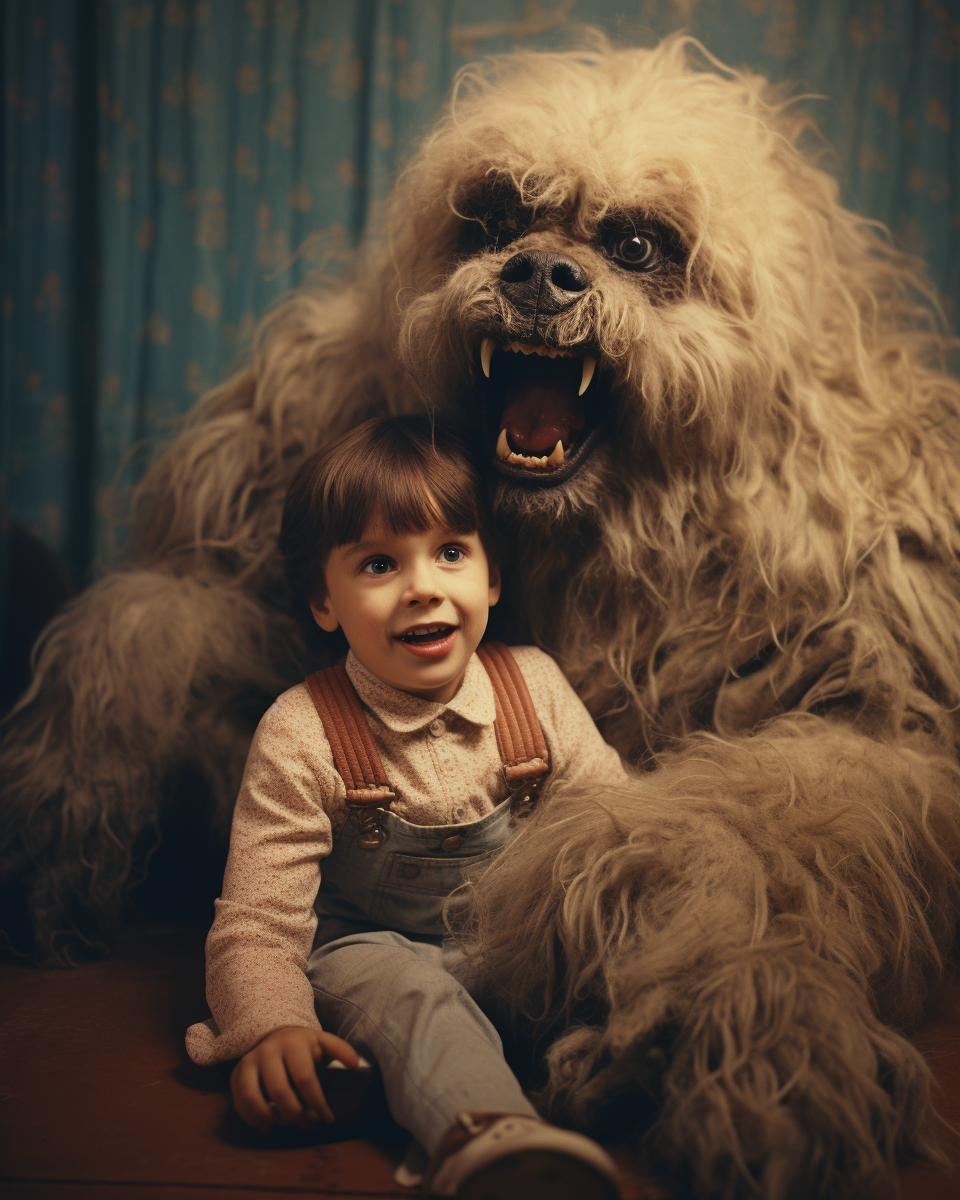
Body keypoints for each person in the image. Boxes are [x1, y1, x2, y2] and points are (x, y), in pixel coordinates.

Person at [185, 415, 630, 1199]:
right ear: (325, 602)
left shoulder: (535, 688)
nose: (424, 586)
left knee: (614, 975)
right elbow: (258, 922)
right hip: (370, 952)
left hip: (509, 945)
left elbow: (617, 838)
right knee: (414, 998)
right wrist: (271, 1026)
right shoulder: (303, 730)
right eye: (380, 563)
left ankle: (667, 1109)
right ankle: (489, 1139)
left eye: (451, 553)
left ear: (491, 578)